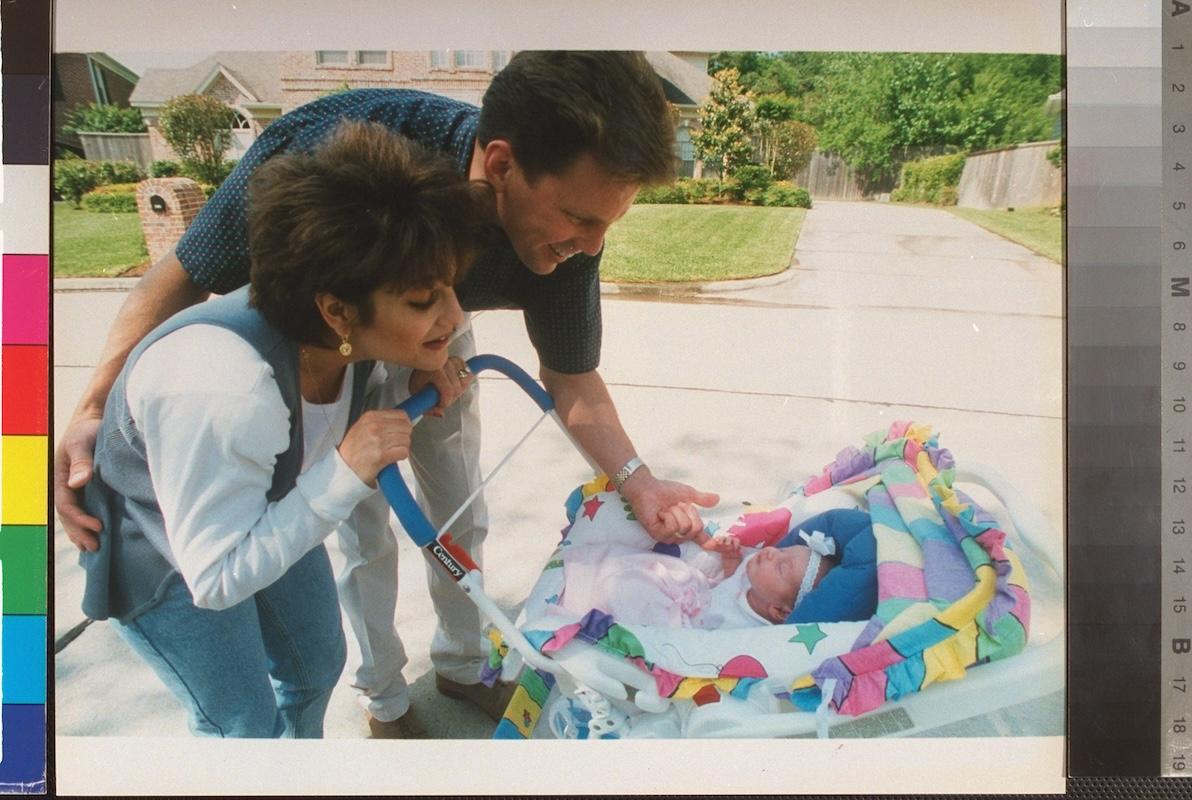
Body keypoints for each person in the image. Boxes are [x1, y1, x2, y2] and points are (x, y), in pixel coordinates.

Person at [55, 51, 719, 736]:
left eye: (607, 224)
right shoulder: (335, 160)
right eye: (581, 220)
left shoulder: (552, 239)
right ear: (499, 167)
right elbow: (185, 274)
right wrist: (94, 408)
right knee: (358, 524)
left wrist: (638, 480)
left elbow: (571, 374)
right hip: (311, 343)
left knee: (453, 512)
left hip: (386, 336)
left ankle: (464, 664)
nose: (592, 246)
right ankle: (383, 698)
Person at [79, 121, 486, 737]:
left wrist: (409, 389)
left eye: (451, 290)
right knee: (242, 722)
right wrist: (347, 471)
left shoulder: (342, 334)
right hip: (166, 551)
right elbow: (215, 579)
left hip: (270, 497)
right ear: (335, 309)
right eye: (425, 300)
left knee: (317, 663)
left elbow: (338, 406)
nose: (454, 318)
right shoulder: (224, 387)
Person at [556, 533, 837, 629]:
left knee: (629, 593)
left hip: (685, 627)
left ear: (779, 611)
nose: (772, 552)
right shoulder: (754, 579)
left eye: (781, 566)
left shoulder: (748, 628)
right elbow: (729, 583)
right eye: (782, 551)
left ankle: (586, 605)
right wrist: (730, 559)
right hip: (693, 591)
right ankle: (590, 575)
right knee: (650, 569)